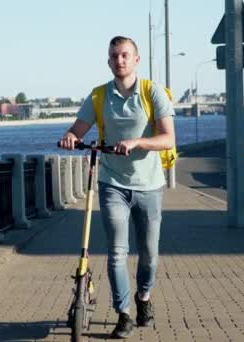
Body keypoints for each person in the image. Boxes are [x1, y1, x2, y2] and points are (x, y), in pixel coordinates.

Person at [58, 36, 176, 339]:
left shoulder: (153, 92)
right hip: (112, 183)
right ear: (108, 61)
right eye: (114, 56)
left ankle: (144, 299)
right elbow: (78, 129)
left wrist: (137, 142)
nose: (119, 60)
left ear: (136, 59)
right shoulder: (99, 96)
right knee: (117, 253)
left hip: (149, 185)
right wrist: (71, 136)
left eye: (125, 55)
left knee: (149, 254)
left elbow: (167, 139)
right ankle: (123, 313)